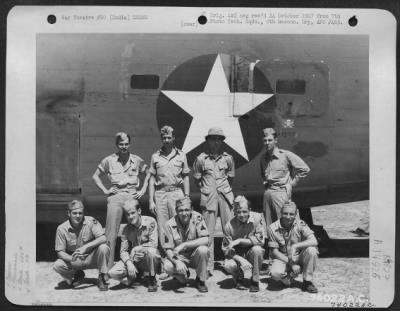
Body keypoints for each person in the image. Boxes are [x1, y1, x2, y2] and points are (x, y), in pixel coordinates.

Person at [92, 132, 150, 269]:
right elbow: (95, 176)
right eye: (121, 144)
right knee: (111, 233)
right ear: (117, 145)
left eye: (126, 144)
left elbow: (149, 173)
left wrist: (143, 189)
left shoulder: (136, 160)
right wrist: (106, 191)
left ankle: (137, 265)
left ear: (129, 144)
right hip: (116, 197)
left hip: (131, 197)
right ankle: (107, 267)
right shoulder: (110, 160)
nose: (124, 147)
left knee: (136, 230)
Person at [193, 127, 235, 274]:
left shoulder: (228, 158)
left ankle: (230, 261)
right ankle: (208, 265)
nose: (216, 142)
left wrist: (223, 190)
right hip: (209, 196)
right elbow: (197, 179)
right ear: (208, 141)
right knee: (208, 232)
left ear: (222, 141)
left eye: (219, 139)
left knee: (228, 229)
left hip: (225, 195)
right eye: (213, 139)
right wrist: (206, 189)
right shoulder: (200, 159)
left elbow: (231, 177)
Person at [53, 200, 110, 291]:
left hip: (91, 257)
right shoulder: (61, 228)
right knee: (57, 265)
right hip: (75, 259)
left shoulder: (91, 221)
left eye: (80, 213)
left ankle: (102, 277)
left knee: (104, 247)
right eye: (74, 213)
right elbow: (60, 252)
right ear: (69, 213)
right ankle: (77, 274)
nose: (78, 216)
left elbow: (103, 238)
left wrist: (86, 247)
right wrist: (72, 259)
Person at [148, 125, 190, 245]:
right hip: (160, 194)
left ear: (174, 138)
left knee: (179, 223)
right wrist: (151, 200)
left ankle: (180, 252)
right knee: (163, 225)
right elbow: (151, 179)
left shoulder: (181, 155)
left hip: (176, 193)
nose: (166, 140)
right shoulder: (155, 157)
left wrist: (186, 196)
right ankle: (166, 255)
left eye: (169, 137)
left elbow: (186, 176)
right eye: (164, 138)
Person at [260, 127, 310, 227]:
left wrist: (292, 184)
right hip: (268, 193)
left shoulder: (285, 155)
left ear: (275, 141)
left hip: (281, 193)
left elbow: (305, 169)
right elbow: (263, 174)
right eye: (265, 141)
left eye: (270, 140)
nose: (267, 143)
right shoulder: (263, 158)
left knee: (286, 222)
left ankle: (288, 242)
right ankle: (273, 242)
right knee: (270, 225)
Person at [108, 199, 161, 292]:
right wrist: (128, 263)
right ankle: (134, 277)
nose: (130, 217)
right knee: (112, 273)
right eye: (127, 214)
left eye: (133, 213)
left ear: (139, 211)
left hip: (148, 259)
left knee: (152, 252)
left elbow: (154, 244)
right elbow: (123, 251)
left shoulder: (150, 222)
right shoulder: (126, 229)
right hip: (135, 260)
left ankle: (152, 279)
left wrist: (137, 248)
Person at [267, 201, 319, 293]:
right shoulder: (272, 228)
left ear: (295, 214)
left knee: (312, 250)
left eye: (291, 214)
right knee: (275, 273)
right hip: (283, 258)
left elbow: (314, 241)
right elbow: (274, 252)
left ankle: (307, 282)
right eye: (285, 213)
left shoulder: (300, 224)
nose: (288, 217)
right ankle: (288, 277)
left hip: (298, 256)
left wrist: (295, 245)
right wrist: (292, 264)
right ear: (281, 213)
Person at [162, 197, 210, 293]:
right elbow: (168, 249)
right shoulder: (169, 224)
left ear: (191, 209)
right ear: (176, 211)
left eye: (187, 210)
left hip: (194, 256)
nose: (184, 213)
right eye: (181, 210)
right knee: (167, 266)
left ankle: (200, 280)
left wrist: (184, 245)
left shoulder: (198, 218)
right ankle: (183, 276)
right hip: (180, 258)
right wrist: (176, 262)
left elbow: (206, 239)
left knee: (203, 250)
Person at [222, 196, 265, 292]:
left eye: (244, 211)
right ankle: (238, 278)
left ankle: (255, 280)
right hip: (237, 254)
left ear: (249, 210)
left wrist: (240, 241)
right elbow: (226, 249)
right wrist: (241, 260)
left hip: (251, 251)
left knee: (257, 250)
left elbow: (260, 240)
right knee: (229, 265)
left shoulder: (257, 218)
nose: (241, 215)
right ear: (234, 212)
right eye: (238, 212)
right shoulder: (229, 225)